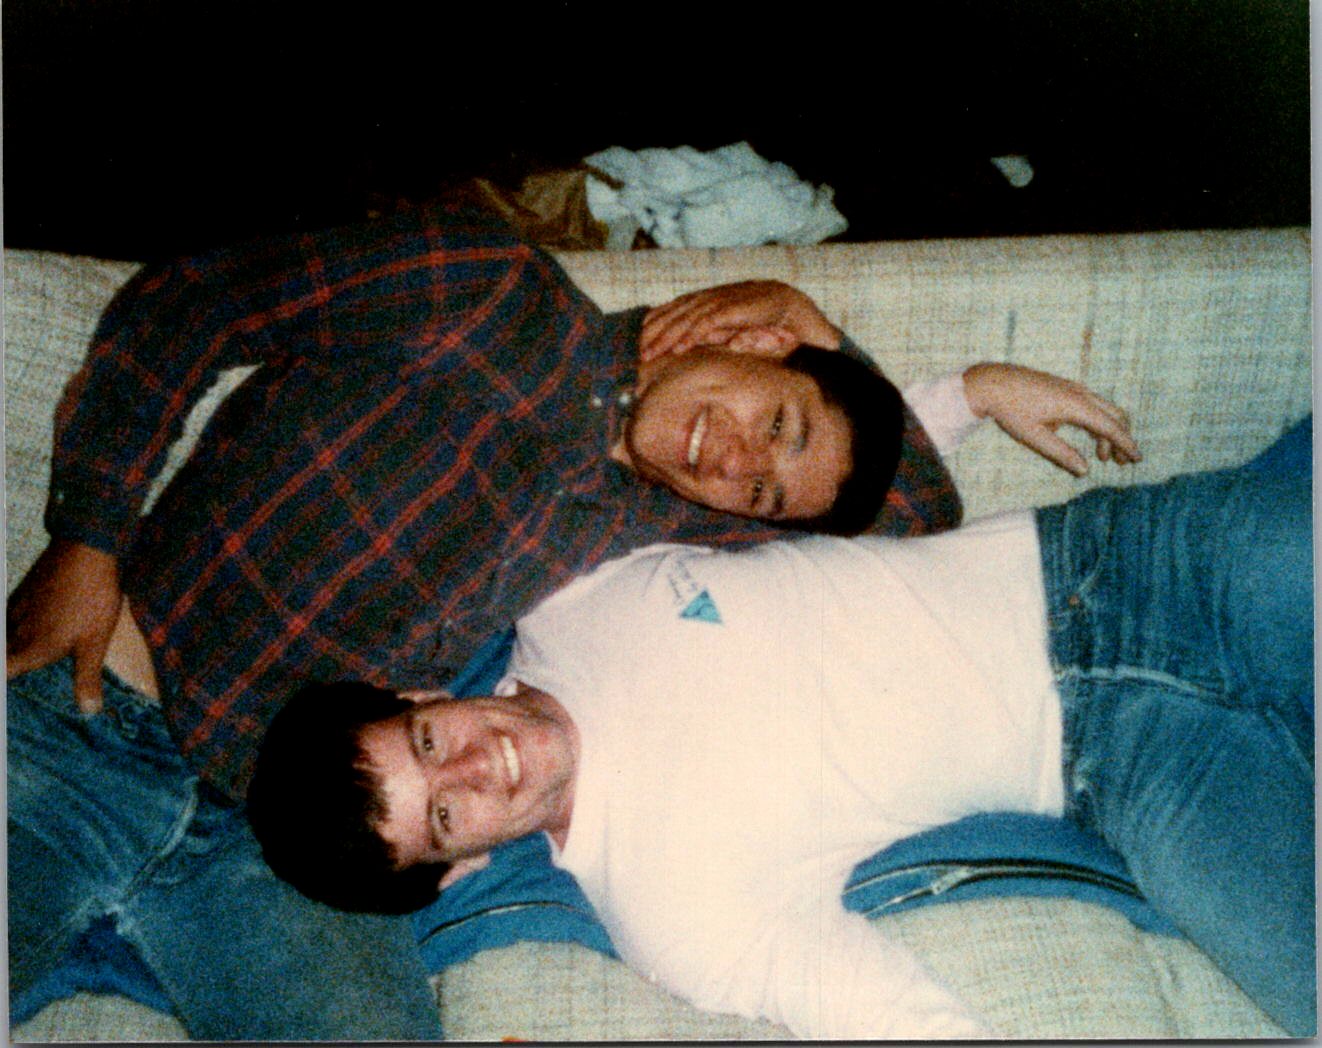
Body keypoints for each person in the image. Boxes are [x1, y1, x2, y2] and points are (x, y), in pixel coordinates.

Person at [7, 201, 1137, 1039]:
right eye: (767, 418)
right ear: (749, 346)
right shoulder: (482, 289)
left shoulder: (670, 506)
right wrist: (86, 537)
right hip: (85, 711)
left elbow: (908, 509)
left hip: (303, 848)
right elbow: (198, 298)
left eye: (760, 486)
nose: (734, 462)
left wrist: (901, 366)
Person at [248, 417, 1314, 1039]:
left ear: (415, 696)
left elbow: (762, 448)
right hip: (1129, 769)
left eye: (429, 744)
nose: (481, 764)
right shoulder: (672, 921)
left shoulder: (566, 586)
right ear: (457, 870)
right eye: (444, 814)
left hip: (1132, 562)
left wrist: (965, 395)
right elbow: (896, 1019)